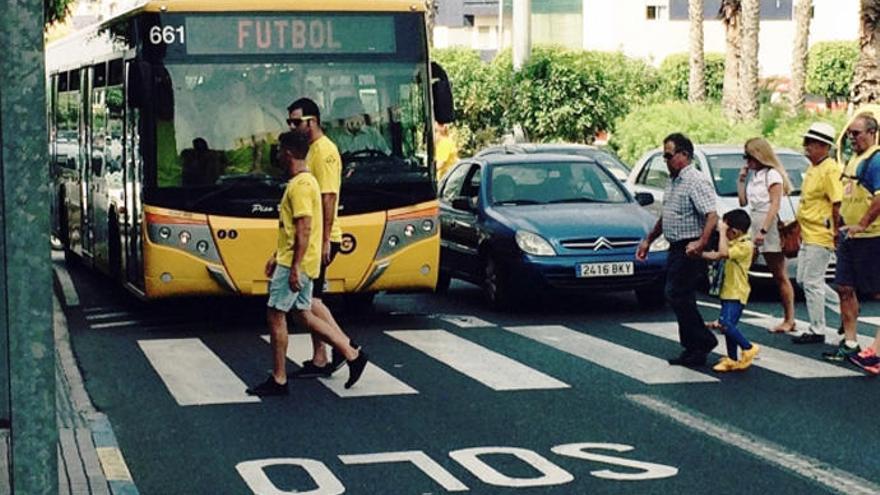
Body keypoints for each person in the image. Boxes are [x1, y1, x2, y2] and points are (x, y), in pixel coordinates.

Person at [246, 131, 367, 397]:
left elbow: (303, 228)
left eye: (279, 150)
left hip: (295, 264)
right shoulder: (310, 182)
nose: (277, 155)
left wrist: (293, 266)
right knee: (303, 314)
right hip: (301, 261)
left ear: (288, 153)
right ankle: (351, 353)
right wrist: (277, 256)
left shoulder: (299, 186)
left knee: (276, 315)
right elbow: (296, 231)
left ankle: (278, 379)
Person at [286, 97, 361, 378]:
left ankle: (348, 349)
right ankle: (321, 357)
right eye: (289, 123)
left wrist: (327, 239)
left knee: (310, 301)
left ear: (313, 121)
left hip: (323, 238)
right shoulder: (312, 150)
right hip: (318, 237)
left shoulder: (325, 151)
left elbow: (329, 197)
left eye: (297, 122)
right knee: (311, 298)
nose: (292, 127)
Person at [637, 133, 719, 366]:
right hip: (676, 246)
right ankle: (694, 347)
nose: (666, 160)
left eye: (669, 155)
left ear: (684, 155)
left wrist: (702, 243)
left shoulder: (695, 180)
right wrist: (649, 240)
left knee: (676, 293)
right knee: (680, 295)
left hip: (689, 246)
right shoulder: (673, 181)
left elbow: (711, 215)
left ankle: (701, 341)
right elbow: (668, 215)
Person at [823, 113, 880, 362]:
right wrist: (840, 226)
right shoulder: (853, 160)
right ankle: (850, 341)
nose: (852, 138)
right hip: (850, 237)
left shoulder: (875, 161)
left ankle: (875, 349)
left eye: (856, 133)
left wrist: (863, 223)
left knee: (876, 292)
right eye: (849, 133)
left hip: (872, 237)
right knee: (844, 287)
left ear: (872, 133)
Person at [791, 123, 843, 344]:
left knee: (812, 282)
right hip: (808, 232)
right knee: (805, 280)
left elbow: (837, 202)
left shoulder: (830, 169)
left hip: (821, 234)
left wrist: (836, 232)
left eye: (810, 143)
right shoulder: (814, 168)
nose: (806, 147)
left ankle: (817, 329)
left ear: (824, 146)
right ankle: (846, 309)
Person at [737, 137, 796, 333]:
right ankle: (731, 313)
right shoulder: (756, 176)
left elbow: (775, 204)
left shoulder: (772, 175)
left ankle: (790, 318)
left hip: (766, 223)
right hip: (754, 219)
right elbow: (743, 202)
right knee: (741, 269)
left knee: (779, 274)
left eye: (749, 156)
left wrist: (763, 230)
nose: (747, 161)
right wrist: (741, 180)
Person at [701, 209, 761, 372]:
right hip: (728, 290)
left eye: (726, 231)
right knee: (729, 326)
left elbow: (722, 253)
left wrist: (721, 232)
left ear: (734, 232)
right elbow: (716, 255)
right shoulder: (735, 242)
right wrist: (699, 253)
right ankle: (732, 359)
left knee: (726, 324)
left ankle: (748, 348)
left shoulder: (745, 245)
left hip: (736, 292)